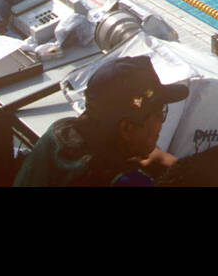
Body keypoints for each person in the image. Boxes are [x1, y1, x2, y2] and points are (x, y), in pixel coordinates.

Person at [14, 56, 190, 187]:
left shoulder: (60, 131)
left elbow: (150, 156)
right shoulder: (124, 182)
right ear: (127, 128)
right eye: (160, 112)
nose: (162, 121)